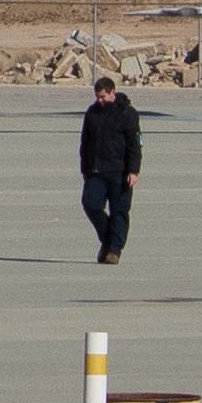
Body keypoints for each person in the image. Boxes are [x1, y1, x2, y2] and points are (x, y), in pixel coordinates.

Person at [77, 74, 142, 263]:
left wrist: (133, 170)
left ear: (112, 92)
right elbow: (85, 143)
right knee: (91, 204)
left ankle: (114, 250)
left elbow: (135, 145)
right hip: (95, 171)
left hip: (120, 172)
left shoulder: (128, 113)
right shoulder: (92, 112)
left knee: (119, 211)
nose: (100, 100)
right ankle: (107, 239)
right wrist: (85, 169)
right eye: (97, 97)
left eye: (103, 97)